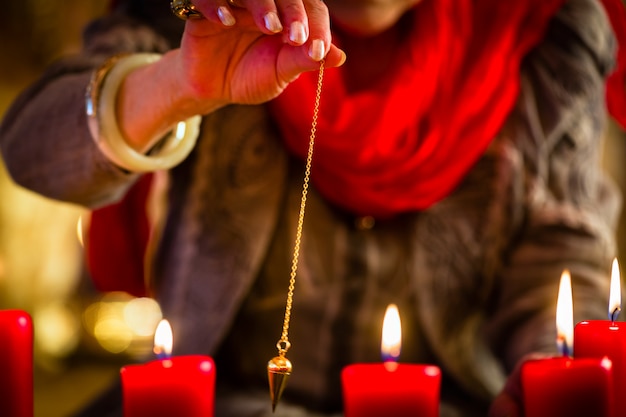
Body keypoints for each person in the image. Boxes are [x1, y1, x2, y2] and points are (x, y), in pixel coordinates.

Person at [1, 0, 625, 415]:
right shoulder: (211, 12)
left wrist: (549, 373)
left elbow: (559, 272)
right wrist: (177, 86)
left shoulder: (541, 26)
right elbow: (29, 150)